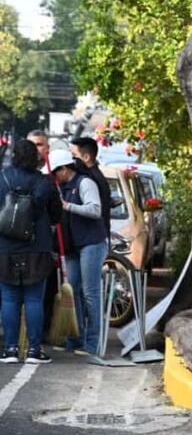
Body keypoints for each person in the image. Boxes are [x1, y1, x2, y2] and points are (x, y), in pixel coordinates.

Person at [0, 140, 63, 364]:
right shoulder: (45, 182)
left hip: (5, 248)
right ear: (36, 156)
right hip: (37, 248)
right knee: (34, 300)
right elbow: (57, 213)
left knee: (9, 299)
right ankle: (35, 351)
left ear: (13, 155)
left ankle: (9, 349)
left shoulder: (2, 177)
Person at [51, 149, 108, 356]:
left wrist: (68, 206)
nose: (54, 177)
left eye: (55, 172)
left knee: (90, 293)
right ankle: (76, 338)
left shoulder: (85, 183)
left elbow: (95, 210)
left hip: (91, 243)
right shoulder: (61, 187)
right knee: (72, 291)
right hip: (72, 245)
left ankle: (92, 343)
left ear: (65, 169)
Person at [70, 137, 112, 242]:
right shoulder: (96, 175)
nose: (71, 161)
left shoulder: (90, 179)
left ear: (86, 157)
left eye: (74, 156)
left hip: (93, 239)